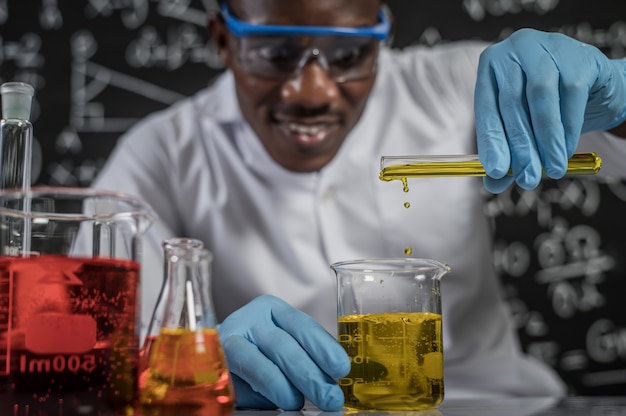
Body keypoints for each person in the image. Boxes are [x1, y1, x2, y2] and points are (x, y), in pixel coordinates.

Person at [92, 0, 626, 411]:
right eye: (276, 53)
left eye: (348, 55)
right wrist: (194, 363)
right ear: (223, 41)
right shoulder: (162, 153)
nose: (313, 91)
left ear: (383, 36)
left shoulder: (459, 85)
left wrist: (618, 95)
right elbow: (94, 343)